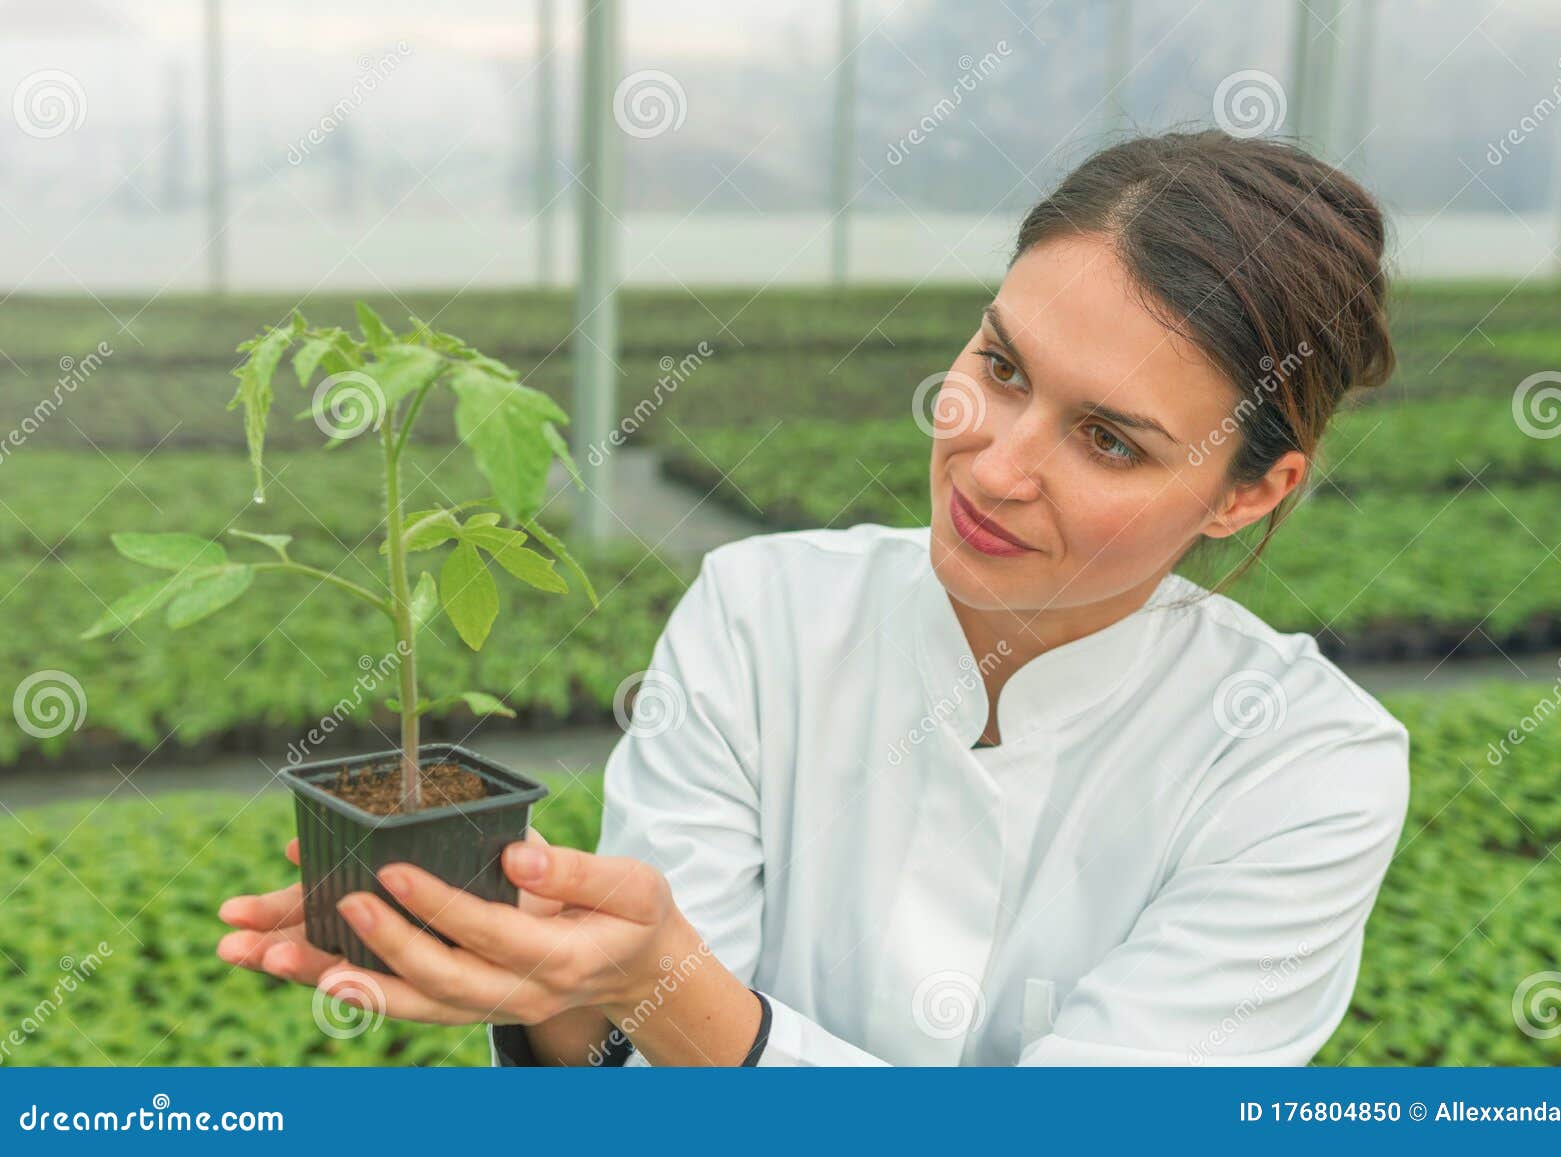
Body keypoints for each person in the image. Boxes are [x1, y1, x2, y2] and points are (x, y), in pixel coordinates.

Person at [217, 128, 1409, 1067]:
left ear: (1248, 494)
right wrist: (567, 997)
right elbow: (647, 1069)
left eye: (1106, 439)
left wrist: (656, 983)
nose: (990, 461)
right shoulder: (763, 612)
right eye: (998, 368)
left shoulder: (1304, 765)